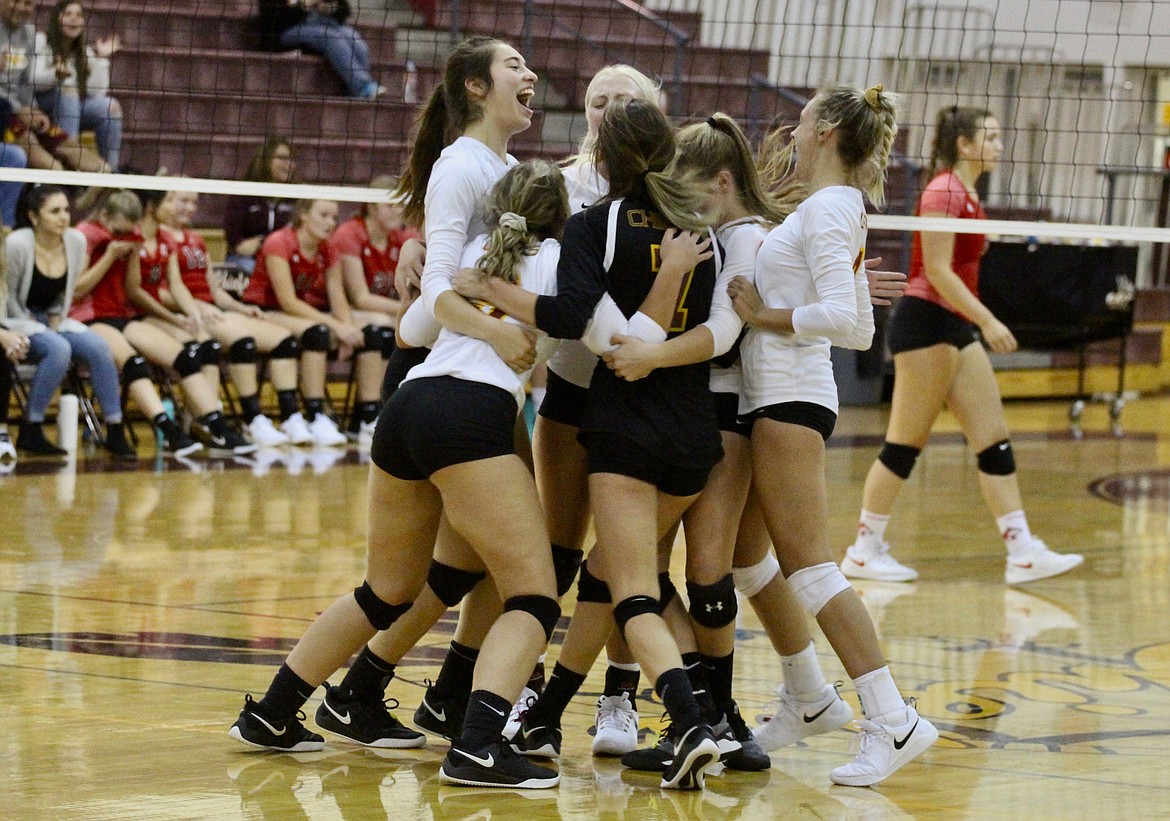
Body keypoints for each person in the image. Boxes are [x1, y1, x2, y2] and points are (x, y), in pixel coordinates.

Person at [229, 159, 568, 791]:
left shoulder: (472, 251)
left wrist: (475, 294)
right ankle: (478, 746)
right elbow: (589, 328)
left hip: (407, 406)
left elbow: (413, 327)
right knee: (533, 597)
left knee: (384, 590)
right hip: (471, 412)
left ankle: (271, 713)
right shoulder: (555, 263)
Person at [453, 98, 726, 790]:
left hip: (625, 429)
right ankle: (549, 713)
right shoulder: (705, 231)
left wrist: (484, 287)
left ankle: (695, 723)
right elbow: (718, 332)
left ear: (601, 156)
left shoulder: (595, 225)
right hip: (697, 432)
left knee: (632, 592)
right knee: (616, 576)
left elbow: (581, 323)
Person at [724, 85, 938, 786]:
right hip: (774, 395)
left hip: (790, 394)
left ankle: (892, 716)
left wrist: (765, 316)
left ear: (827, 132)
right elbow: (853, 313)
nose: (797, 121)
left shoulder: (829, 206)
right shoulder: (827, 206)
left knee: (811, 566)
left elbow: (850, 323)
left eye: (809, 113)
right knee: (746, 556)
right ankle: (808, 697)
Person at [843, 106, 1084, 586]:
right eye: (990, 137)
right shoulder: (943, 191)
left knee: (992, 438)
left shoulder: (968, 191)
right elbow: (936, 271)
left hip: (954, 326)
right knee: (905, 442)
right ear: (964, 145)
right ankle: (864, 549)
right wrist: (988, 321)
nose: (998, 145)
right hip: (926, 323)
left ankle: (1021, 551)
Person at [157, 188, 299, 448]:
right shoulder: (158, 239)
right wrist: (195, 305)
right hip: (182, 313)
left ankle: (292, 417)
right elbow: (160, 291)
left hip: (210, 309)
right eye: (182, 201)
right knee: (241, 342)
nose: (189, 208)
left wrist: (240, 307)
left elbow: (214, 289)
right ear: (163, 202)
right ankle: (250, 419)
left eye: (194, 202)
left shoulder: (196, 239)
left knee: (284, 339)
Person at [4, 184, 135, 458]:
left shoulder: (75, 240)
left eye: (66, 210)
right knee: (59, 349)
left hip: (53, 317)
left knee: (99, 347)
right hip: (16, 317)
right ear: (34, 216)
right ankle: (32, 427)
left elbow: (66, 292)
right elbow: (9, 296)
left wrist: (54, 319)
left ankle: (114, 426)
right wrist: (35, 325)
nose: (64, 217)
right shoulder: (18, 244)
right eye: (54, 211)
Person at [69, 189, 202, 457]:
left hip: (121, 314)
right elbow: (76, 290)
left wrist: (176, 317)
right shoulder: (86, 235)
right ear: (104, 216)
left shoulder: (134, 235)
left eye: (127, 232)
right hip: (86, 316)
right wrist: (110, 255)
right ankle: (168, 429)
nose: (122, 237)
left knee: (187, 356)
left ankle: (216, 425)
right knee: (133, 363)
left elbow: (133, 287)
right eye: (117, 231)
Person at [239, 198, 359, 447]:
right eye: (323, 215)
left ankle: (319, 417)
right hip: (264, 310)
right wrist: (337, 327)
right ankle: (307, 415)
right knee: (318, 332)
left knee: (351, 333)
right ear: (303, 215)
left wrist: (348, 330)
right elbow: (287, 301)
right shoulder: (279, 243)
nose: (330, 223)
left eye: (334, 217)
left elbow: (337, 296)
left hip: (296, 315)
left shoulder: (327, 248)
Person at [328, 175, 409, 443]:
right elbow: (360, 297)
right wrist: (402, 307)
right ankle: (368, 415)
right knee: (380, 329)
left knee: (400, 331)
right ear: (373, 206)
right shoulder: (350, 234)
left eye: (401, 204)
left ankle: (386, 412)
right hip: (345, 312)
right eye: (392, 205)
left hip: (382, 313)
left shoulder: (401, 238)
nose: (400, 210)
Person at [0, 0, 108, 173]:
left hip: (18, 107)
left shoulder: (28, 32)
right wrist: (19, 110)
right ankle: (58, 180)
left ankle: (106, 175)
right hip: (4, 110)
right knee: (32, 144)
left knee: (63, 142)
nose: (21, 7)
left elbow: (25, 83)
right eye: (16, 2)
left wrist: (32, 109)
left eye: (27, 3)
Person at [33, 0, 122, 170]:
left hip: (70, 107)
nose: (74, 19)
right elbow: (31, 81)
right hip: (40, 106)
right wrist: (55, 76)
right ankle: (71, 163)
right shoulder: (41, 41)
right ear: (56, 19)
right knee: (68, 89)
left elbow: (97, 93)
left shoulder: (84, 52)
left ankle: (112, 176)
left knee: (111, 106)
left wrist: (101, 59)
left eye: (79, 15)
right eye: (68, 14)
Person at [256, 0, 384, 99]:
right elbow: (272, 19)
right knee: (330, 37)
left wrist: (331, 8)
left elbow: (344, 11)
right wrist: (303, 7)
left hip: (324, 24)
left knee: (355, 39)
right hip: (285, 31)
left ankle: (353, 91)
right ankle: (362, 86)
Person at [222, 136, 295, 275]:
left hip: (283, 257)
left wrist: (263, 243)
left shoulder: (297, 195)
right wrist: (240, 245)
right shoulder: (244, 192)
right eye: (282, 158)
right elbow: (234, 235)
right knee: (255, 271)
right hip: (246, 258)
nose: (289, 164)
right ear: (266, 160)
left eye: (291, 159)